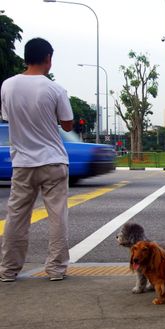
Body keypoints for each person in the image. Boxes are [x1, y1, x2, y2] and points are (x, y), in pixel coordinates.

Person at [0, 38, 73, 282]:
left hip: (22, 162)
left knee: (17, 217)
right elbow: (67, 123)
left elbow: (8, 117)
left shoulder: (7, 86)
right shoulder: (55, 89)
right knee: (57, 216)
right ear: (48, 58)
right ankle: (56, 269)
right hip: (53, 161)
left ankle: (8, 270)